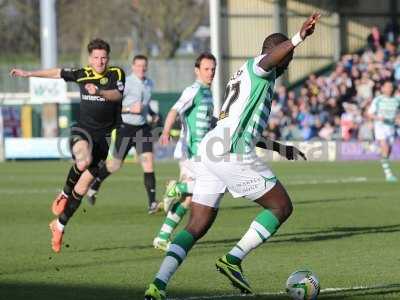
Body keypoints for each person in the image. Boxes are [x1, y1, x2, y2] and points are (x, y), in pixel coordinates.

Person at [144, 12, 320, 300]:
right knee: (281, 207)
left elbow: (243, 126)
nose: (287, 63)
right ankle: (233, 259)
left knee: (196, 225)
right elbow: (272, 57)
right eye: (285, 57)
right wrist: (298, 38)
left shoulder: (246, 76)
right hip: (230, 152)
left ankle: (157, 285)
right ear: (275, 54)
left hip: (213, 148)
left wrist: (279, 147)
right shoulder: (259, 67)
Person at [10, 38, 125, 253]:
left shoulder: (116, 74)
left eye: (103, 57)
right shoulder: (82, 73)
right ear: (90, 59)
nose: (100, 61)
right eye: (96, 58)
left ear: (108, 58)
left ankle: (59, 225)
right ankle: (63, 193)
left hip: (104, 138)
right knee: (84, 160)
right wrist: (29, 74)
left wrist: (98, 92)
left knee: (82, 188)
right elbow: (57, 73)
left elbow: (117, 95)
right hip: (83, 131)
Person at [152, 53, 216, 252]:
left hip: (201, 151)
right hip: (192, 151)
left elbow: (206, 120)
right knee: (208, 186)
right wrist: (165, 131)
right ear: (197, 70)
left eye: (213, 69)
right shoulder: (193, 90)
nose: (210, 73)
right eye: (206, 69)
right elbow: (174, 111)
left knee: (187, 200)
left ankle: (162, 237)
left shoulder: (208, 92)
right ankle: (177, 187)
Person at [85, 55, 161, 214]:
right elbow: (112, 106)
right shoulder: (125, 83)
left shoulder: (149, 83)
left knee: (148, 163)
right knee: (115, 165)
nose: (142, 68)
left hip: (142, 128)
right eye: (139, 66)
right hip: (125, 127)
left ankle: (152, 203)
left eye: (144, 66)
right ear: (133, 67)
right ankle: (95, 184)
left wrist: (153, 114)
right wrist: (129, 110)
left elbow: (144, 106)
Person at [368, 80, 400, 182]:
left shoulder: (396, 100)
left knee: (387, 152)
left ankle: (374, 148)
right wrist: (378, 118)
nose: (389, 89)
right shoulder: (378, 100)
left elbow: (398, 113)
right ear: (382, 88)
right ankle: (388, 174)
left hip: (391, 127)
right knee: (385, 148)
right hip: (380, 126)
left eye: (391, 87)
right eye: (387, 87)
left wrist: (398, 119)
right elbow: (369, 113)